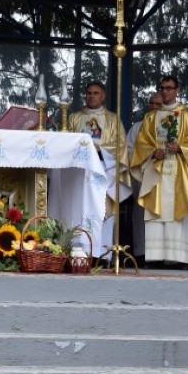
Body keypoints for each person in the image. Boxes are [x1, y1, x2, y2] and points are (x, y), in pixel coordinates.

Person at [130, 76, 188, 268]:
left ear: (177, 90)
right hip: (157, 171)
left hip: (180, 171)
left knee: (177, 211)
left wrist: (181, 147)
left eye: (169, 88)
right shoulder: (151, 117)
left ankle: (177, 259)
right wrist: (152, 152)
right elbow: (141, 144)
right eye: (162, 88)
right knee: (157, 212)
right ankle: (155, 257)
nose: (165, 91)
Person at [69, 81, 131, 258]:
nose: (91, 96)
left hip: (103, 170)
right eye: (88, 93)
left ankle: (102, 254)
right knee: (79, 208)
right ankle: (77, 252)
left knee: (102, 209)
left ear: (103, 96)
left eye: (96, 93)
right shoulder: (74, 117)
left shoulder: (112, 119)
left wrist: (99, 149)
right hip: (80, 171)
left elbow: (121, 145)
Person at [126, 92, 163, 260]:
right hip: (143, 177)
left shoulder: (171, 126)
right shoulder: (137, 127)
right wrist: (149, 154)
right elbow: (127, 151)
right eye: (152, 104)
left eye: (158, 105)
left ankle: (162, 256)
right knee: (142, 215)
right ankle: (141, 253)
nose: (154, 107)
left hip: (166, 178)